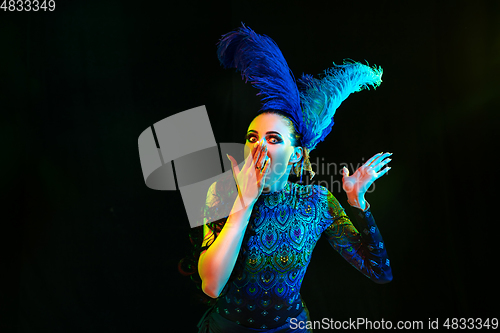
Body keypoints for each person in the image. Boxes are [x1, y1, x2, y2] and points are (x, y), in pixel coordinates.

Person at [179, 23, 393, 333]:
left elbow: (379, 271)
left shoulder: (316, 202)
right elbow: (211, 286)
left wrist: (358, 204)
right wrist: (244, 202)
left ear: (296, 155)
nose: (259, 146)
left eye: (274, 139)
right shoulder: (223, 191)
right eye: (252, 137)